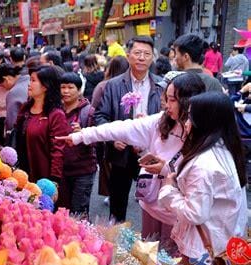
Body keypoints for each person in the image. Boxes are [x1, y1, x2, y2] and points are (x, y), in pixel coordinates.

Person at [58, 73, 206, 249]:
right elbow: (122, 128)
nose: (166, 105)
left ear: (188, 102)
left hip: (177, 214)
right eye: (166, 98)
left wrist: (165, 170)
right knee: (149, 257)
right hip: (151, 204)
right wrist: (81, 136)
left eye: (173, 100)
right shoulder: (161, 121)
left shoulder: (202, 132)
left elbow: (199, 178)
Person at [158, 92, 248, 265]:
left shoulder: (204, 163)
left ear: (204, 122)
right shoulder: (224, 150)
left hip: (206, 254)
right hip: (221, 248)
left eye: (190, 118)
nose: (186, 124)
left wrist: (169, 190)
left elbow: (195, 213)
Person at [93, 36, 163, 223]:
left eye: (146, 54)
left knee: (155, 206)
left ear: (152, 58)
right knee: (118, 205)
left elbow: (169, 118)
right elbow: (101, 116)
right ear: (128, 55)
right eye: (137, 53)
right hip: (121, 153)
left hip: (151, 153)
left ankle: (152, 244)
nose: (141, 57)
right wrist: (112, 138)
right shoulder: (114, 85)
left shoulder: (161, 85)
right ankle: (115, 244)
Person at [15, 65, 69, 185]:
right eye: (30, 80)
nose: (29, 84)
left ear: (45, 86)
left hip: (44, 177)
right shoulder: (25, 108)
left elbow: (58, 151)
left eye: (33, 80)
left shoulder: (56, 115)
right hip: (22, 173)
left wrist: (54, 180)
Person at [90, 56, 129, 204]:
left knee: (108, 165)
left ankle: (111, 193)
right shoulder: (129, 86)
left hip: (107, 132)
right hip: (127, 132)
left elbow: (94, 110)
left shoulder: (103, 86)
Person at [57, 72, 96, 219]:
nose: (66, 91)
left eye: (70, 87)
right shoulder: (56, 110)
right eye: (63, 87)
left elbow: (98, 142)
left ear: (79, 90)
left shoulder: (88, 112)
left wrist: (84, 134)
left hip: (82, 171)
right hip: (61, 170)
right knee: (61, 211)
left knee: (79, 213)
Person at [0, 63, 30, 145]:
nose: (5, 88)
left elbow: (11, 122)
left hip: (23, 135)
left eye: (3, 85)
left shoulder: (14, 92)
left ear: (6, 79)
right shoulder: (28, 79)